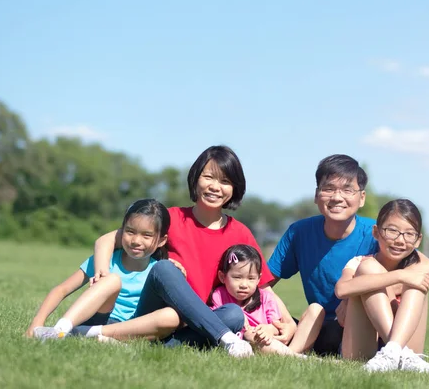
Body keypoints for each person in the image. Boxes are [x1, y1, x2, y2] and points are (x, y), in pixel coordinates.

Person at [89, 145, 296, 357]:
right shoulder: (170, 219)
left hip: (193, 330)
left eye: (225, 181)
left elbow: (262, 288)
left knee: (233, 314)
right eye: (209, 177)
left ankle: (146, 344)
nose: (215, 187)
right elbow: (105, 241)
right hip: (155, 317)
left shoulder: (240, 233)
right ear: (196, 178)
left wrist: (288, 322)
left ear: (234, 188)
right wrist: (102, 274)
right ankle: (225, 339)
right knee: (164, 268)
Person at [266, 154, 378, 356]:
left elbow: (416, 270)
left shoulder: (375, 233)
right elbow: (263, 284)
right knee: (290, 321)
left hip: (364, 326)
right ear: (317, 195)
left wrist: (352, 298)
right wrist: (285, 321)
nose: (337, 197)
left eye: (347, 190)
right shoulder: (299, 232)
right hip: (318, 327)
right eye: (329, 189)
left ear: (361, 198)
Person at [26, 199, 179, 341]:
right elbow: (62, 289)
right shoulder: (106, 260)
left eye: (147, 235)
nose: (136, 241)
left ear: (161, 241)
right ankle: (60, 330)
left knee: (172, 316)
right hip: (98, 317)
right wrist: (37, 322)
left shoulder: (157, 271)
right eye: (130, 231)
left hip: (129, 328)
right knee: (112, 280)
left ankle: (93, 334)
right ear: (121, 231)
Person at [335, 199, 429, 375]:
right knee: (369, 269)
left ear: (417, 240)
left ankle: (395, 351)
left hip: (408, 349)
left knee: (416, 282)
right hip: (361, 348)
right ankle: (395, 351)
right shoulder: (360, 262)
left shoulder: (416, 267)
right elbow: (341, 290)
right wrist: (399, 276)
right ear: (376, 232)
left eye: (409, 234)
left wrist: (403, 279)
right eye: (392, 231)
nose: (400, 240)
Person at [211, 244, 324, 357]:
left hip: (278, 340)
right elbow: (218, 322)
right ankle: (293, 356)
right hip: (257, 342)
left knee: (316, 309)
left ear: (258, 279)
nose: (244, 285)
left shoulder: (265, 297)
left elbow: (277, 325)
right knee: (251, 335)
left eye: (251, 278)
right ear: (222, 277)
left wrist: (270, 329)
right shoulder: (219, 295)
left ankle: (292, 354)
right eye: (237, 277)